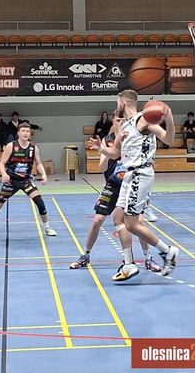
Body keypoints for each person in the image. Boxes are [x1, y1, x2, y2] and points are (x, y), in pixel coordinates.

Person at [89, 89, 179, 280]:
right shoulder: (125, 125)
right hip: (128, 175)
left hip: (140, 173)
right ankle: (129, 264)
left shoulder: (143, 120)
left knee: (131, 223)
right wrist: (101, 148)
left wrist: (169, 118)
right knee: (117, 218)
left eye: (117, 102)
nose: (116, 105)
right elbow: (115, 153)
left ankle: (167, 251)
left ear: (122, 102)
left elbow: (168, 139)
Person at [70, 113, 161, 272]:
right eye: (118, 120)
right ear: (113, 122)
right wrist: (106, 152)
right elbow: (102, 168)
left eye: (124, 120)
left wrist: (147, 193)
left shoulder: (136, 137)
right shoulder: (107, 139)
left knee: (140, 222)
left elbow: (147, 163)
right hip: (112, 185)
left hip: (132, 185)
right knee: (97, 220)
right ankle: (85, 255)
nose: (121, 122)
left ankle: (148, 258)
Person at [0, 123, 57, 237]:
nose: (25, 133)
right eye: (23, 131)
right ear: (18, 133)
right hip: (10, 181)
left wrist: (44, 174)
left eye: (27, 131)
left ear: (30, 134)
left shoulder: (33, 148)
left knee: (40, 202)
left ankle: (47, 227)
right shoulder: (11, 146)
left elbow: (39, 163)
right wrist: (4, 174)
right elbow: (2, 163)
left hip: (26, 181)